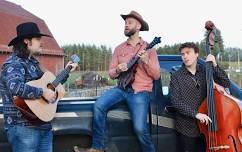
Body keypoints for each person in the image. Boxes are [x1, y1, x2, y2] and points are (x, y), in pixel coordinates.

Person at [74, 10, 160, 152]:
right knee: (99, 105)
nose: (126, 25)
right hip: (121, 89)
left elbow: (156, 75)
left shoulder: (149, 49)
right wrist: (118, 70)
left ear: (138, 26)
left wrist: (146, 61)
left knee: (139, 128)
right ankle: (97, 147)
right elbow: (111, 73)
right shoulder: (118, 49)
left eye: (129, 22)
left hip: (140, 92)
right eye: (125, 23)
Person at [0, 22, 78, 152]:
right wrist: (42, 92)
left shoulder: (34, 63)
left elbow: (51, 85)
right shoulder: (13, 63)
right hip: (23, 127)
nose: (41, 42)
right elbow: (16, 87)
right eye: (37, 39)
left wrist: (67, 71)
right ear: (26, 41)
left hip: (43, 125)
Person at [170, 42, 230, 152]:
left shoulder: (205, 71)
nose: (185, 56)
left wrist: (215, 65)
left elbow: (226, 83)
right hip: (186, 127)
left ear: (197, 54)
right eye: (182, 54)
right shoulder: (176, 76)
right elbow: (175, 101)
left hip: (207, 127)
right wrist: (196, 114)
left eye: (188, 53)